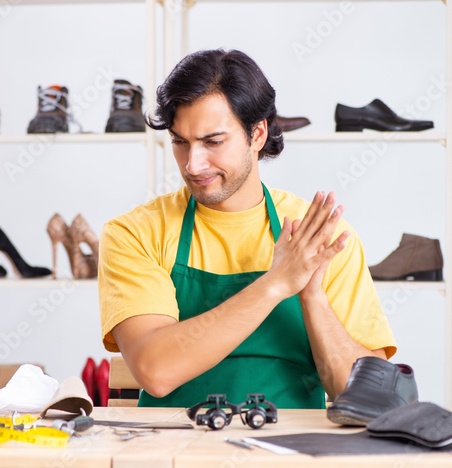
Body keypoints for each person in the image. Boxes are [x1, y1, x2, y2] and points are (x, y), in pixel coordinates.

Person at [99, 48, 396, 409]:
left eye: (212, 142)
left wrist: (312, 296)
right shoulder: (135, 233)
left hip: (293, 453)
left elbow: (369, 398)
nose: (193, 164)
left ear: (257, 135)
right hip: (173, 450)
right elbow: (156, 370)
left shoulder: (322, 236)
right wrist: (275, 284)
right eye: (180, 142)